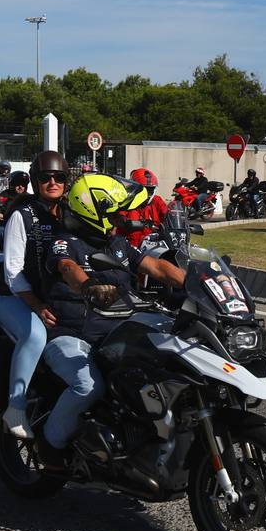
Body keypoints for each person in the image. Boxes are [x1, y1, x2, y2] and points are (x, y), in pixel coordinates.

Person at [33, 173, 187, 468]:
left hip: (118, 330)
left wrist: (195, 281)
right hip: (73, 334)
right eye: (115, 211)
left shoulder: (116, 243)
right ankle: (49, 446)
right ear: (95, 210)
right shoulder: (65, 243)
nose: (121, 216)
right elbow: (67, 268)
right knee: (87, 386)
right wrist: (88, 286)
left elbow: (155, 266)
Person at [0, 151, 68, 440]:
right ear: (36, 182)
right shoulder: (22, 216)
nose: (52, 182)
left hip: (52, 298)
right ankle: (15, 406)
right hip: (14, 298)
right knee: (36, 335)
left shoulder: (70, 214)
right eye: (45, 178)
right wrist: (36, 305)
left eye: (59, 177)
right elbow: (12, 272)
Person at [119, 168, 168, 248]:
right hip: (131, 246)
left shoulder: (157, 201)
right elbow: (119, 220)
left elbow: (167, 214)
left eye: (150, 189)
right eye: (145, 189)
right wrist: (129, 223)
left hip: (154, 245)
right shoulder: (127, 202)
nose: (148, 194)